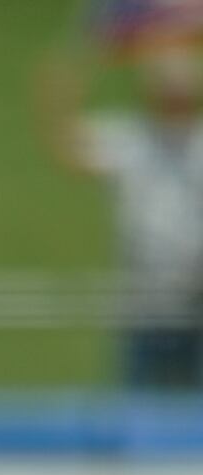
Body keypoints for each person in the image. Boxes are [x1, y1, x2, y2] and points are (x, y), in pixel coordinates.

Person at [40, 25, 203, 389]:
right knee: (134, 418)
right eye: (168, 95)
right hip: (142, 306)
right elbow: (71, 151)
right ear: (151, 96)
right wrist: (63, 88)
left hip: (198, 306)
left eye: (182, 96)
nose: (176, 104)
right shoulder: (131, 141)